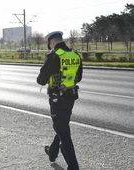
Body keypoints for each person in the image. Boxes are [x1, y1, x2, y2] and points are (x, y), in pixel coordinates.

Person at [36, 31, 83, 170]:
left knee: (62, 130)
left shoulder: (54, 56)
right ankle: (53, 151)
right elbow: (78, 77)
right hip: (71, 96)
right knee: (62, 126)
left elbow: (41, 80)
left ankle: (73, 166)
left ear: (51, 43)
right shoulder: (75, 54)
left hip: (57, 98)